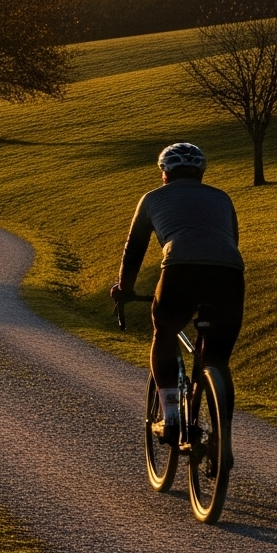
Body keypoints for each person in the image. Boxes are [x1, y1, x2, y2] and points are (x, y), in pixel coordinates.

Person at [108, 142, 243, 444]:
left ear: (164, 173)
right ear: (201, 173)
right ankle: (223, 438)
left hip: (179, 267)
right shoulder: (222, 198)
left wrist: (125, 289)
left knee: (165, 331)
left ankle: (170, 417)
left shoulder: (152, 198)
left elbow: (134, 250)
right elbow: (231, 240)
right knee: (218, 360)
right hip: (229, 272)